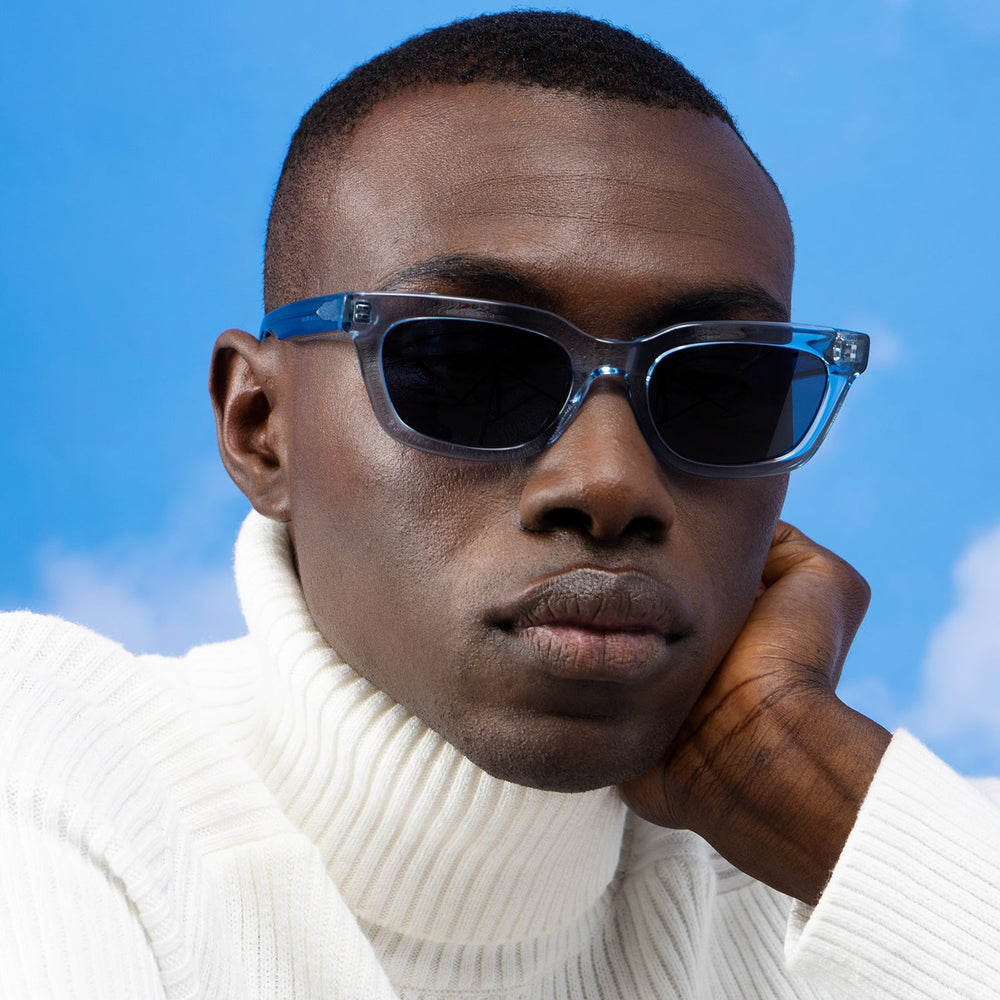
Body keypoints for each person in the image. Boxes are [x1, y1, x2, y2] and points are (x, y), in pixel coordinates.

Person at [1, 11, 997, 999]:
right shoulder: (56, 769)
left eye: (717, 386)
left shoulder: (878, 863)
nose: (609, 484)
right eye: (467, 369)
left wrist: (832, 813)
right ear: (260, 427)